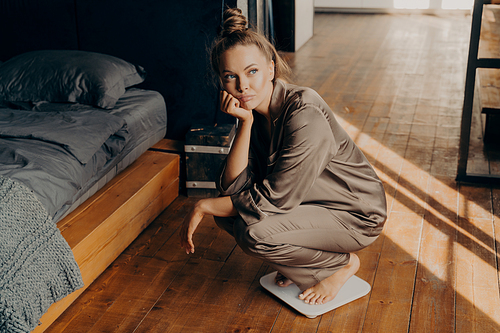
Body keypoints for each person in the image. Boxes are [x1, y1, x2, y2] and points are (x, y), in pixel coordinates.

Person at [180, 7, 387, 306]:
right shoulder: (256, 115)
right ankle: (305, 265)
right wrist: (245, 123)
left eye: (252, 71)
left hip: (353, 213)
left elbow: (276, 199)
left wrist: (203, 204)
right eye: (230, 77)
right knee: (230, 217)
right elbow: (233, 188)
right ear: (222, 82)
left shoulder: (304, 113)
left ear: (271, 69)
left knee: (253, 231)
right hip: (309, 204)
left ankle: (340, 266)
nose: (243, 86)